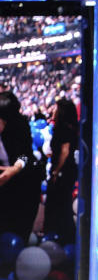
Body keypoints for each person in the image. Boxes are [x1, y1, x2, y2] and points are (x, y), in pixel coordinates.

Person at [0, 90, 42, 242]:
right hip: (4, 184)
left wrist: (15, 169)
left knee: (16, 228)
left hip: (23, 185)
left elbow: (25, 155)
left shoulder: (19, 127)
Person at [43, 98, 79, 243]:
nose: (53, 110)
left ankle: (61, 236)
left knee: (59, 204)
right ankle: (62, 235)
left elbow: (65, 151)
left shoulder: (63, 129)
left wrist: (56, 171)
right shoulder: (69, 128)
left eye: (56, 108)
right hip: (67, 170)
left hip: (63, 172)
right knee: (62, 204)